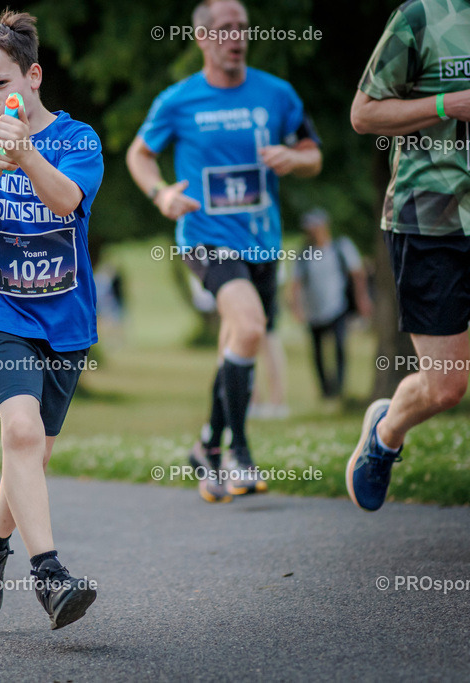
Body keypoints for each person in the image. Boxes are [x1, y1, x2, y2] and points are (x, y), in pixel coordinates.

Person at [126, 0, 322, 503]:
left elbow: (313, 153)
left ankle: (207, 446)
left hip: (262, 241)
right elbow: (139, 154)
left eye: (242, 28)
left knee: (238, 342)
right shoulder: (179, 100)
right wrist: (162, 194)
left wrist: (293, 160)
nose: (236, 36)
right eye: (224, 28)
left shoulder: (277, 94)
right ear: (202, 38)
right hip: (205, 240)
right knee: (251, 327)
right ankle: (239, 451)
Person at [0, 10, 102, 630]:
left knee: (32, 454)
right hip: (0, 306)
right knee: (19, 431)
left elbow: (68, 201)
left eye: (0, 85)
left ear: (32, 76)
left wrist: (28, 154)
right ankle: (50, 573)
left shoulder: (79, 137)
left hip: (66, 316)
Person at [347, 0, 470, 512]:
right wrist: (448, 105)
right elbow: (363, 114)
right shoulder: (422, 17)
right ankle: (386, 431)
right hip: (432, 221)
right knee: (445, 388)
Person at [289, 208, 372, 399]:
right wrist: (297, 308)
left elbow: (357, 274)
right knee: (317, 351)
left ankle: (340, 387)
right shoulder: (304, 254)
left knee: (340, 346)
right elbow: (295, 284)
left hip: (338, 306)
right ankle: (325, 390)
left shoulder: (340, 246)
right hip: (314, 310)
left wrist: (362, 299)